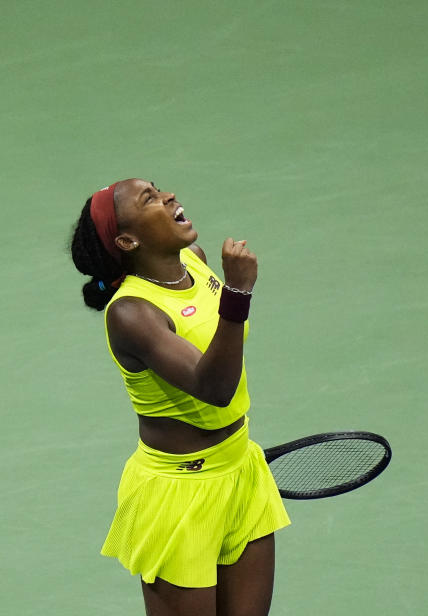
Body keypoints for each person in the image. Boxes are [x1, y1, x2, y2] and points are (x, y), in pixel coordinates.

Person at [69, 178, 290, 616]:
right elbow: (214, 390)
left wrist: (230, 293)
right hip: (178, 494)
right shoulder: (132, 312)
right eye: (149, 199)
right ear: (128, 239)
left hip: (241, 470)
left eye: (159, 188)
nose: (169, 196)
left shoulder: (197, 262)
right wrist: (238, 293)